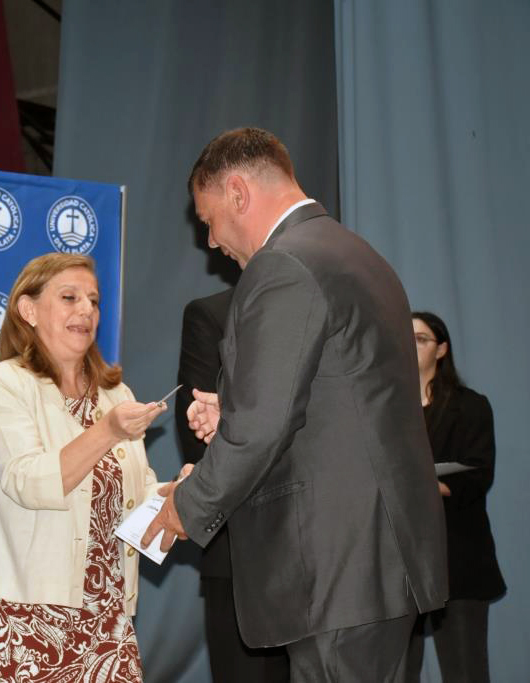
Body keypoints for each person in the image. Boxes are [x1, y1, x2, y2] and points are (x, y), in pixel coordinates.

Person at [143, 127, 448, 682]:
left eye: (209, 220)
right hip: (376, 562)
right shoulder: (356, 254)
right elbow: (340, 402)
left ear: (238, 193)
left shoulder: (283, 264)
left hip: (338, 569)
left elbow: (262, 429)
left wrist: (187, 505)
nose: (210, 241)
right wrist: (233, 412)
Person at [0, 252, 165, 682]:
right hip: (22, 615)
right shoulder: (7, 383)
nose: (87, 310)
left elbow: (136, 496)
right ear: (28, 310)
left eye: (94, 300)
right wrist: (107, 431)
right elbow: (28, 482)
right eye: (70, 297)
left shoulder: (117, 394)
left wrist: (178, 495)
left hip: (108, 617)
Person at [175, 287, 290, 682]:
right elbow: (198, 434)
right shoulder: (214, 314)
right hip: (241, 548)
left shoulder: (331, 303)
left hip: (327, 554)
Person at [406, 311, 505, 683]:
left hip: (458, 557)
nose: (409, 346)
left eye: (420, 339)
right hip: (401, 565)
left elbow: (478, 474)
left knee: (465, 671)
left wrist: (424, 485)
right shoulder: (385, 409)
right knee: (396, 672)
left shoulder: (470, 406)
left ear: (442, 349)